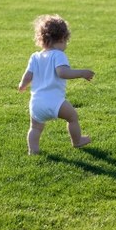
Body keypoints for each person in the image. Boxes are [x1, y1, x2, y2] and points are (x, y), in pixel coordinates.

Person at [18, 14, 95, 155]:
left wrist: (23, 84)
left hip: (36, 102)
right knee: (72, 117)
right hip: (54, 101)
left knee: (35, 128)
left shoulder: (35, 56)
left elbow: (28, 75)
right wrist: (82, 73)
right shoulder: (58, 54)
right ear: (61, 39)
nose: (66, 45)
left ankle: (33, 150)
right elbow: (62, 72)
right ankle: (77, 141)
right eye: (66, 41)